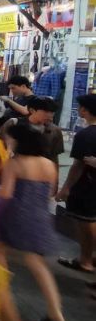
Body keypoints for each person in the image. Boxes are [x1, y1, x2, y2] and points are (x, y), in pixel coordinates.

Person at [0, 124, 66, 321]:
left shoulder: (15, 163)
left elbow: (6, 194)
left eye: (10, 140)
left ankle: (0, 302)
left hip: (15, 215)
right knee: (37, 263)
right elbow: (51, 191)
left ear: (18, 142)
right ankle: (56, 314)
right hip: (40, 216)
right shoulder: (49, 164)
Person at [57, 95, 96, 274]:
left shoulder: (85, 135)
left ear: (84, 110)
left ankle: (86, 260)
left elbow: (77, 166)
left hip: (87, 187)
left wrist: (66, 188)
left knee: (86, 223)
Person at [0, 97, 65, 192]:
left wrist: (55, 184)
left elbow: (54, 157)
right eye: (46, 111)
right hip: (12, 176)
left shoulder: (55, 131)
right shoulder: (14, 124)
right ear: (32, 110)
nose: (50, 116)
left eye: (52, 112)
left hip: (39, 182)